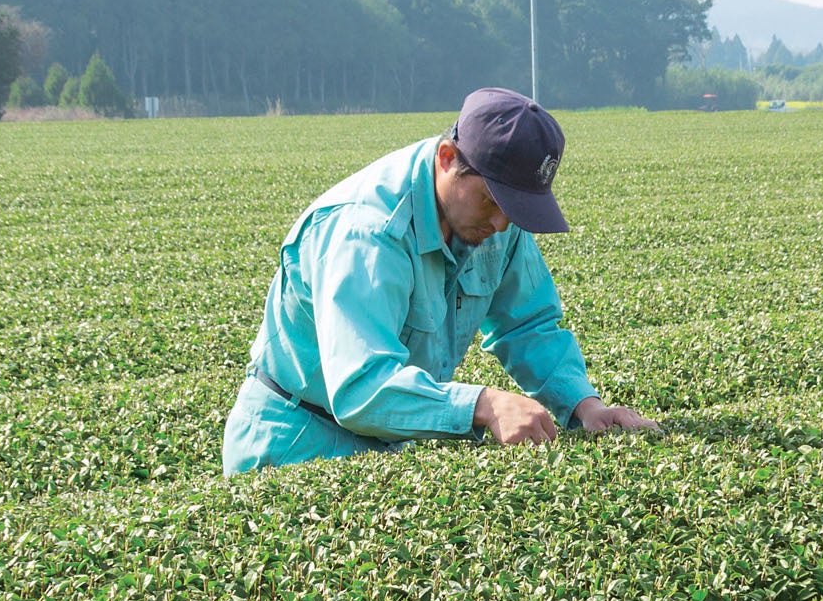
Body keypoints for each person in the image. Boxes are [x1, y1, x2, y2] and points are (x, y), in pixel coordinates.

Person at [223, 88, 660, 475]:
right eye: (493, 201)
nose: (503, 223)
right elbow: (361, 386)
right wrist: (483, 404)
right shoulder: (368, 233)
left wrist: (585, 406)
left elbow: (527, 325)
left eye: (517, 209)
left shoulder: (495, 223)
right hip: (297, 445)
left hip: (391, 444)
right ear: (447, 159)